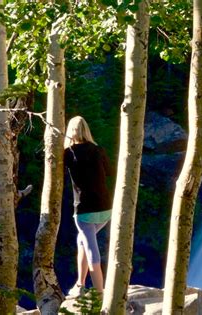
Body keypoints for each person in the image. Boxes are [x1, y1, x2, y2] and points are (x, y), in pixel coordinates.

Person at [64, 116, 113, 298]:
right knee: (82, 241)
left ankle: (100, 295)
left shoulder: (69, 153)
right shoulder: (98, 149)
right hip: (105, 208)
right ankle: (80, 284)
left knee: (92, 250)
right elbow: (110, 172)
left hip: (84, 210)